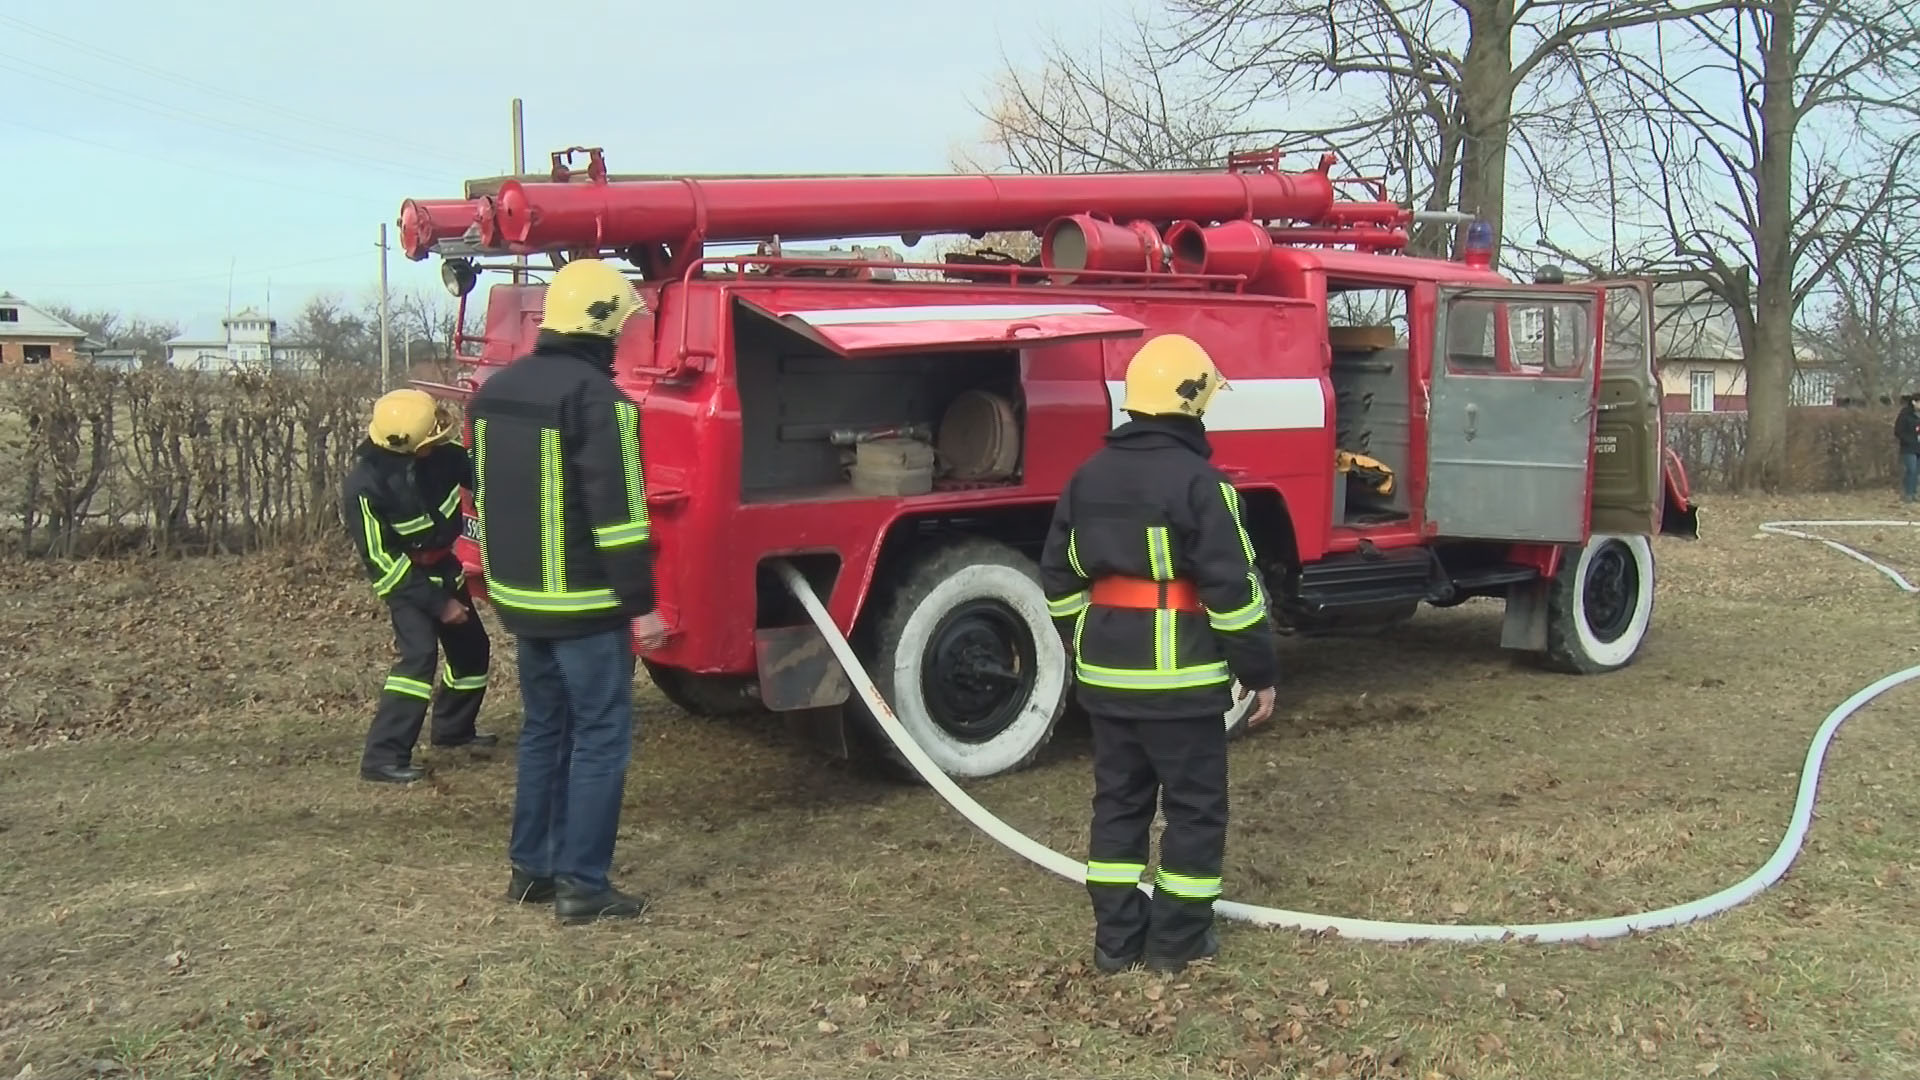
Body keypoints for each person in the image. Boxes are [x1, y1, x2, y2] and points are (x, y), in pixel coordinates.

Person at [1039, 332, 1282, 975]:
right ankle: (1177, 943)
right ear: (1194, 404)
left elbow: (1059, 580)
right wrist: (1259, 672)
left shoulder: (1085, 479)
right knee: (1195, 810)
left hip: (1108, 682)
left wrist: (1085, 639)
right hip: (1184, 684)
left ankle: (1116, 943)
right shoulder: (1205, 485)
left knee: (1118, 804)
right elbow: (1233, 593)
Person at [466, 257, 665, 925]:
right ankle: (584, 884)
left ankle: (532, 871)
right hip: (586, 606)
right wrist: (644, 603)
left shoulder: (494, 394)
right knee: (601, 736)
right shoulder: (600, 403)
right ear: (604, 324)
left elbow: (487, 495)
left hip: (522, 602)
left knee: (544, 730)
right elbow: (621, 516)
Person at [342, 388, 496, 785]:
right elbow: (381, 562)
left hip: (445, 567)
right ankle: (383, 757)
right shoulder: (364, 486)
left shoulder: (442, 457)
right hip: (406, 582)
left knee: (472, 651)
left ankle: (453, 730)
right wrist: (438, 603)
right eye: (432, 434)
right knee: (418, 660)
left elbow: (480, 474)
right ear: (409, 447)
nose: (440, 436)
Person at [1895, 394, 1919, 503]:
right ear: (1914, 402)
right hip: (1908, 448)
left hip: (1918, 447)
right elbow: (1898, 431)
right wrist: (1910, 440)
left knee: (1917, 472)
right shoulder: (1905, 414)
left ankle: (1914, 493)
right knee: (1911, 470)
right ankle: (1908, 494)